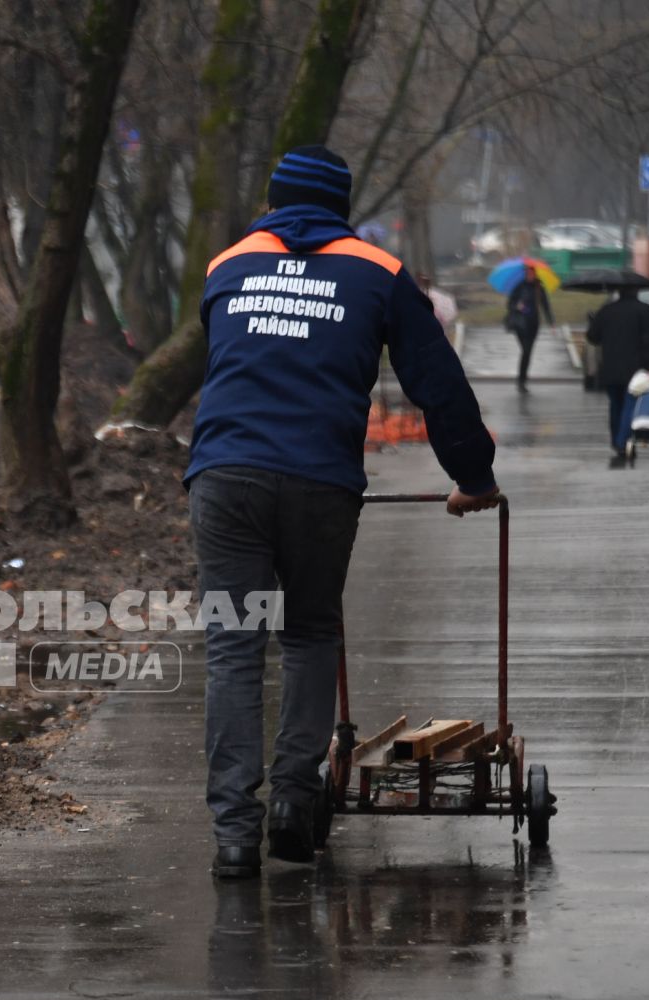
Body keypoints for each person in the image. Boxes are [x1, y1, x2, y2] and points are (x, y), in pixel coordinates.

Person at [187, 144, 501, 881]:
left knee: (235, 646)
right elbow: (438, 383)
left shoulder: (227, 265)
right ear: (341, 208)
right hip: (317, 481)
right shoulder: (380, 272)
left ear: (273, 200)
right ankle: (294, 803)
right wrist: (474, 477)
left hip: (225, 477)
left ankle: (235, 837)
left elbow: (233, 358)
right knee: (307, 633)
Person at [586, 286, 649, 456]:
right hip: (635, 368)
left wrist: (593, 321)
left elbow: (592, 337)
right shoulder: (646, 311)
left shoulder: (606, 311)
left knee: (616, 405)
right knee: (630, 405)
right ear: (636, 292)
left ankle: (617, 441)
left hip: (610, 368)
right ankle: (623, 441)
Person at [504, 264, 553, 392]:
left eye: (532, 273)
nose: (530, 275)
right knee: (525, 351)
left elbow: (545, 305)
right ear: (525, 273)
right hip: (520, 325)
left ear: (535, 274)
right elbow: (509, 304)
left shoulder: (539, 287)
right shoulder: (519, 286)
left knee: (527, 352)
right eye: (528, 273)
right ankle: (521, 380)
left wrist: (551, 323)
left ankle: (522, 380)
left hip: (533, 325)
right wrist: (517, 306)